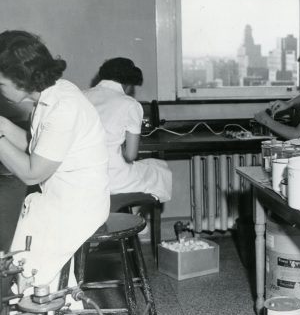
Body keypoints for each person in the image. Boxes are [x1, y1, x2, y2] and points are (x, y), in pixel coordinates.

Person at [0, 30, 109, 292]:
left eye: (1, 83)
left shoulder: (64, 106)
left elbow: (32, 173)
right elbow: (36, 146)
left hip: (78, 206)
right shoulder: (53, 95)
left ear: (20, 79)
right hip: (60, 199)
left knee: (30, 273)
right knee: (19, 262)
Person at [84, 57, 172, 202]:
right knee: (161, 170)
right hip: (112, 179)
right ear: (128, 84)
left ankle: (129, 216)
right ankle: (134, 219)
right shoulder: (130, 104)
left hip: (83, 176)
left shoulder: (81, 96)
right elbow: (130, 155)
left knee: (151, 167)